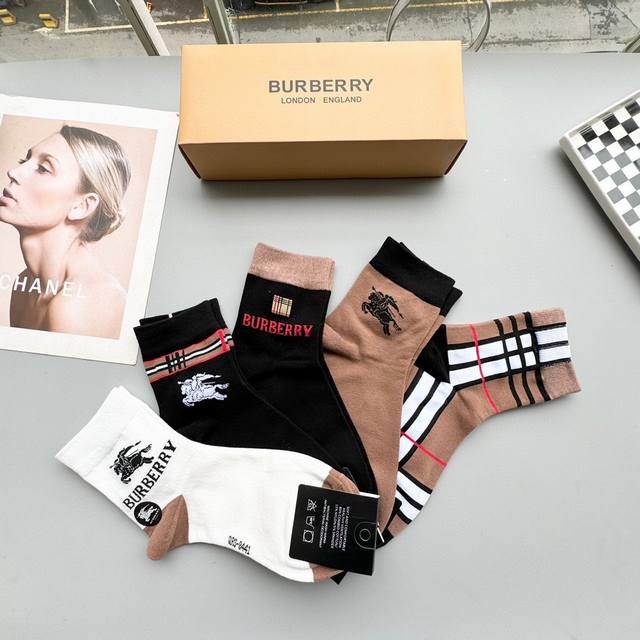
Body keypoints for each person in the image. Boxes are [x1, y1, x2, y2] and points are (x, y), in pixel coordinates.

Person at [0, 124, 131, 338]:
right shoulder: (25, 286)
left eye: (43, 168)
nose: (13, 172)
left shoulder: (79, 306)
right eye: (25, 160)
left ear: (82, 206)